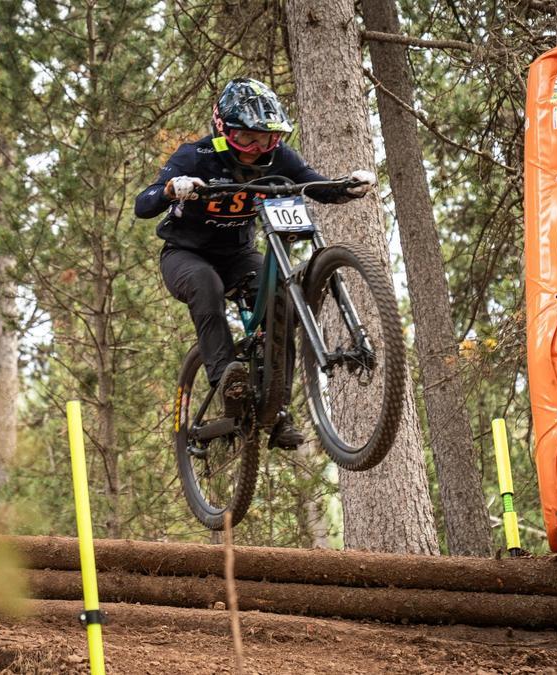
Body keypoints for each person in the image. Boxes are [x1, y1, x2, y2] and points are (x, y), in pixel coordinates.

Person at [135, 77, 376, 449]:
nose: (256, 148)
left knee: (282, 302)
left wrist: (346, 187)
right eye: (246, 137)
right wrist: (171, 189)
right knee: (206, 285)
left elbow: (314, 184)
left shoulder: (280, 158)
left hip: (239, 256)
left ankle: (278, 410)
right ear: (224, 129)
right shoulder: (195, 156)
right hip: (186, 254)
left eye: (266, 139)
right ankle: (227, 381)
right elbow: (144, 203)